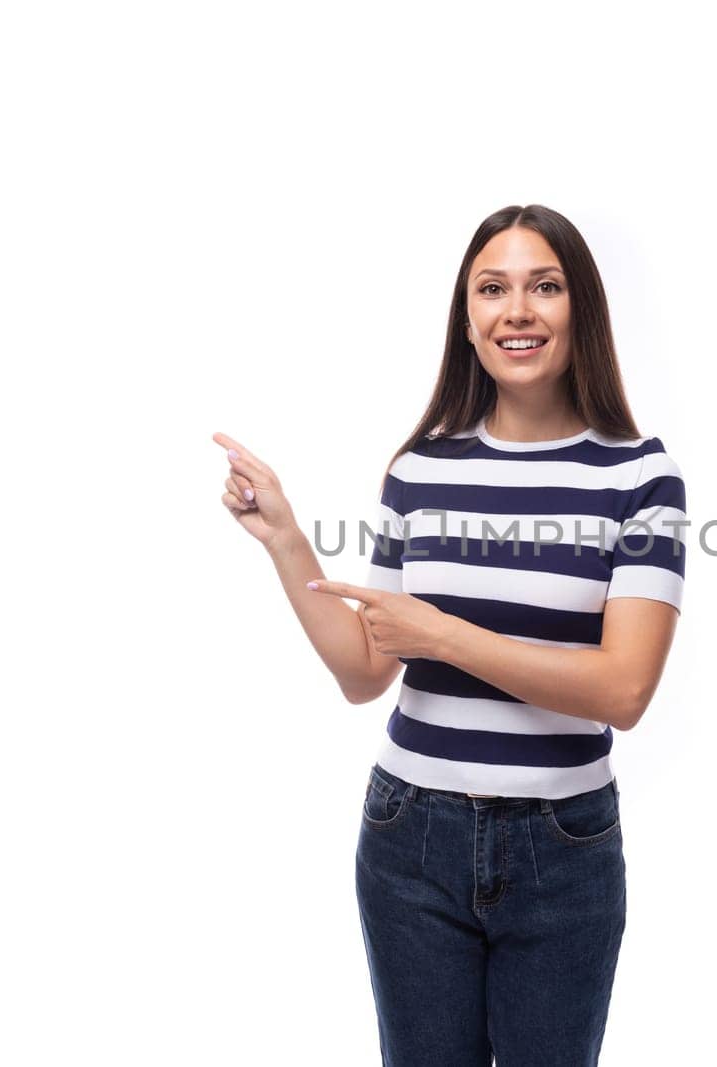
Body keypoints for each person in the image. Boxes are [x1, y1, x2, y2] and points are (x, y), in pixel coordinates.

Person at [212, 204, 686, 1065]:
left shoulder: (641, 477)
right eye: (492, 288)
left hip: (563, 851)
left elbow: (624, 691)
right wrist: (286, 538)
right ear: (467, 321)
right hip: (409, 840)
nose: (518, 310)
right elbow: (365, 671)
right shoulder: (420, 466)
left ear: (581, 306)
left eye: (544, 286)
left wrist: (446, 634)